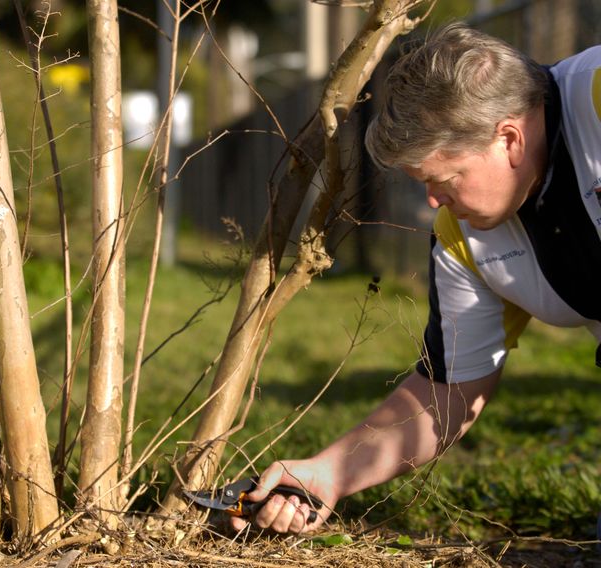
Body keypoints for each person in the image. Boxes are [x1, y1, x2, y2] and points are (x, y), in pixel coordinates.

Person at [232, 22, 601, 535]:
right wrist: (329, 472)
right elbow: (447, 392)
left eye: (442, 180)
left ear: (509, 139)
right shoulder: (460, 236)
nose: (432, 202)